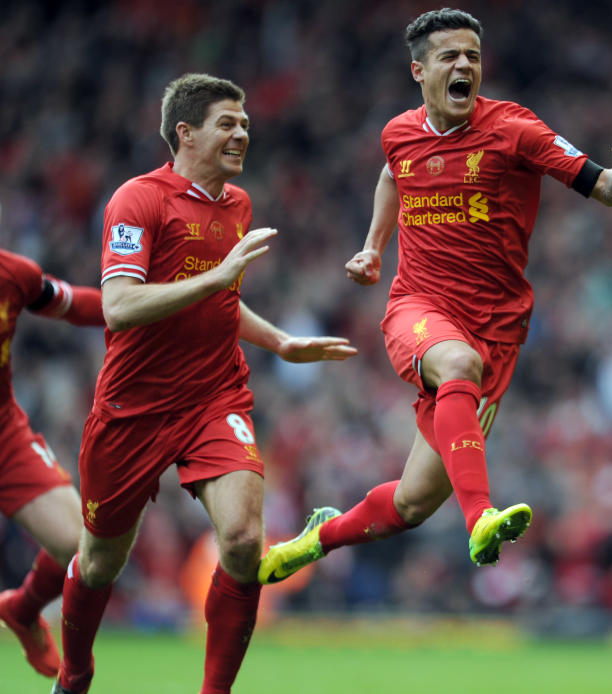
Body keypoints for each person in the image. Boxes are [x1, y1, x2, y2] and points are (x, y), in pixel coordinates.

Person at [258, 8, 612, 585]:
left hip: (497, 330)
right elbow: (394, 173)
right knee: (456, 361)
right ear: (419, 70)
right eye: (449, 56)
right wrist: (373, 246)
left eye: (472, 55)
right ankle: (481, 517)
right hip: (418, 308)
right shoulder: (398, 132)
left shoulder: (517, 130)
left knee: (413, 504)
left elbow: (606, 188)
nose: (465, 64)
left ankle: (317, 536)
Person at [52, 73, 357, 694]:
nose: (243, 133)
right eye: (228, 123)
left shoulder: (237, 205)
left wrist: (281, 342)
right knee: (100, 561)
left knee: (245, 541)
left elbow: (221, 304)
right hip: (133, 406)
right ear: (185, 133)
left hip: (215, 396)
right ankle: (75, 673)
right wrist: (216, 279)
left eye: (245, 123)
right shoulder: (136, 200)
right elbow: (119, 306)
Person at [0, 250, 101, 679]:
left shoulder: (13, 274)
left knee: (83, 547)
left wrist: (148, 306)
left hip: (4, 437)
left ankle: (21, 610)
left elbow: (71, 304)